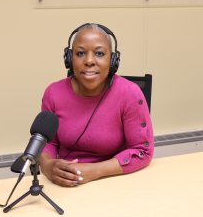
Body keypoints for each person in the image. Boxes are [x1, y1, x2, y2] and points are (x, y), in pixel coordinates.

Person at [39, 23, 154, 187]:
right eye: (80, 53)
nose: (89, 61)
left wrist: (94, 171)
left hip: (114, 181)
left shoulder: (129, 93)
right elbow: (48, 143)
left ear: (113, 60)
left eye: (99, 53)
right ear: (69, 58)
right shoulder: (53, 93)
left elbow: (143, 151)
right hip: (64, 183)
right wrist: (48, 166)